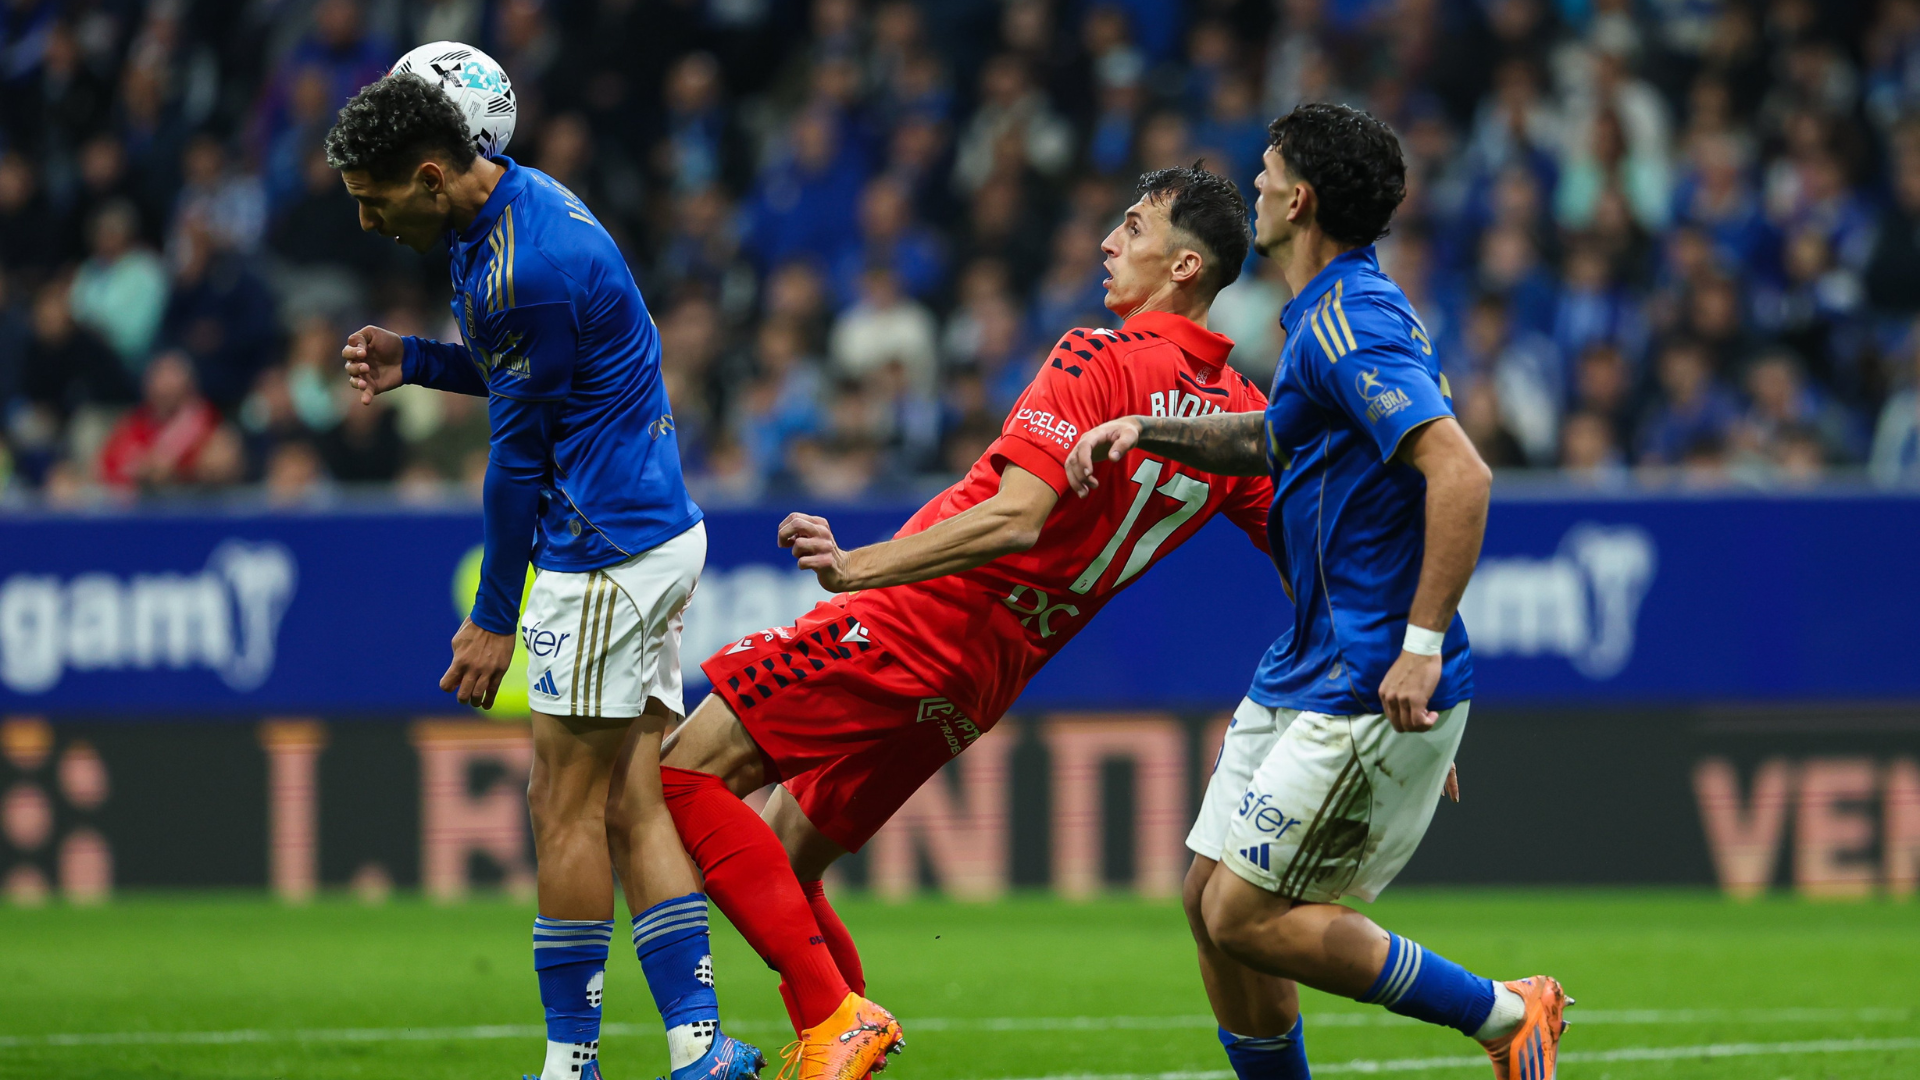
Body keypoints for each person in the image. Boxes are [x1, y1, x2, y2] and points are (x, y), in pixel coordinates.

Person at [654, 165, 1274, 1076]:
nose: (1109, 242)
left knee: (680, 778)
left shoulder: (1096, 357)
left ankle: (833, 1019)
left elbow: (1013, 515)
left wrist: (855, 568)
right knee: (786, 853)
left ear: (1185, 265)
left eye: (1133, 229)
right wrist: (1389, 662)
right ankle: (839, 1041)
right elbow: (1314, 553)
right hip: (983, 679)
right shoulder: (1240, 421)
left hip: (912, 623)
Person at [1067, 103, 1569, 1080]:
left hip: (1367, 669)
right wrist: (1149, 431)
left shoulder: (1351, 321)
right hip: (1310, 661)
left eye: (1263, 174)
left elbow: (1460, 474)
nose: (1251, 188)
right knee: (1205, 899)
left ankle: (1509, 1017)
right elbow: (1272, 440)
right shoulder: (1324, 317)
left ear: (1299, 200)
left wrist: (1421, 653)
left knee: (1245, 916)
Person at [322, 74, 762, 1080]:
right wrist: (422, 362)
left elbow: (516, 460)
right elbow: (532, 364)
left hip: (603, 549)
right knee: (629, 798)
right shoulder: (512, 214)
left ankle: (571, 1065)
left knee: (558, 802)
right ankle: (700, 1049)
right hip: (646, 529)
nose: (363, 217)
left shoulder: (524, 266)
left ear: (430, 176)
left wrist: (492, 619)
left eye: (371, 197)